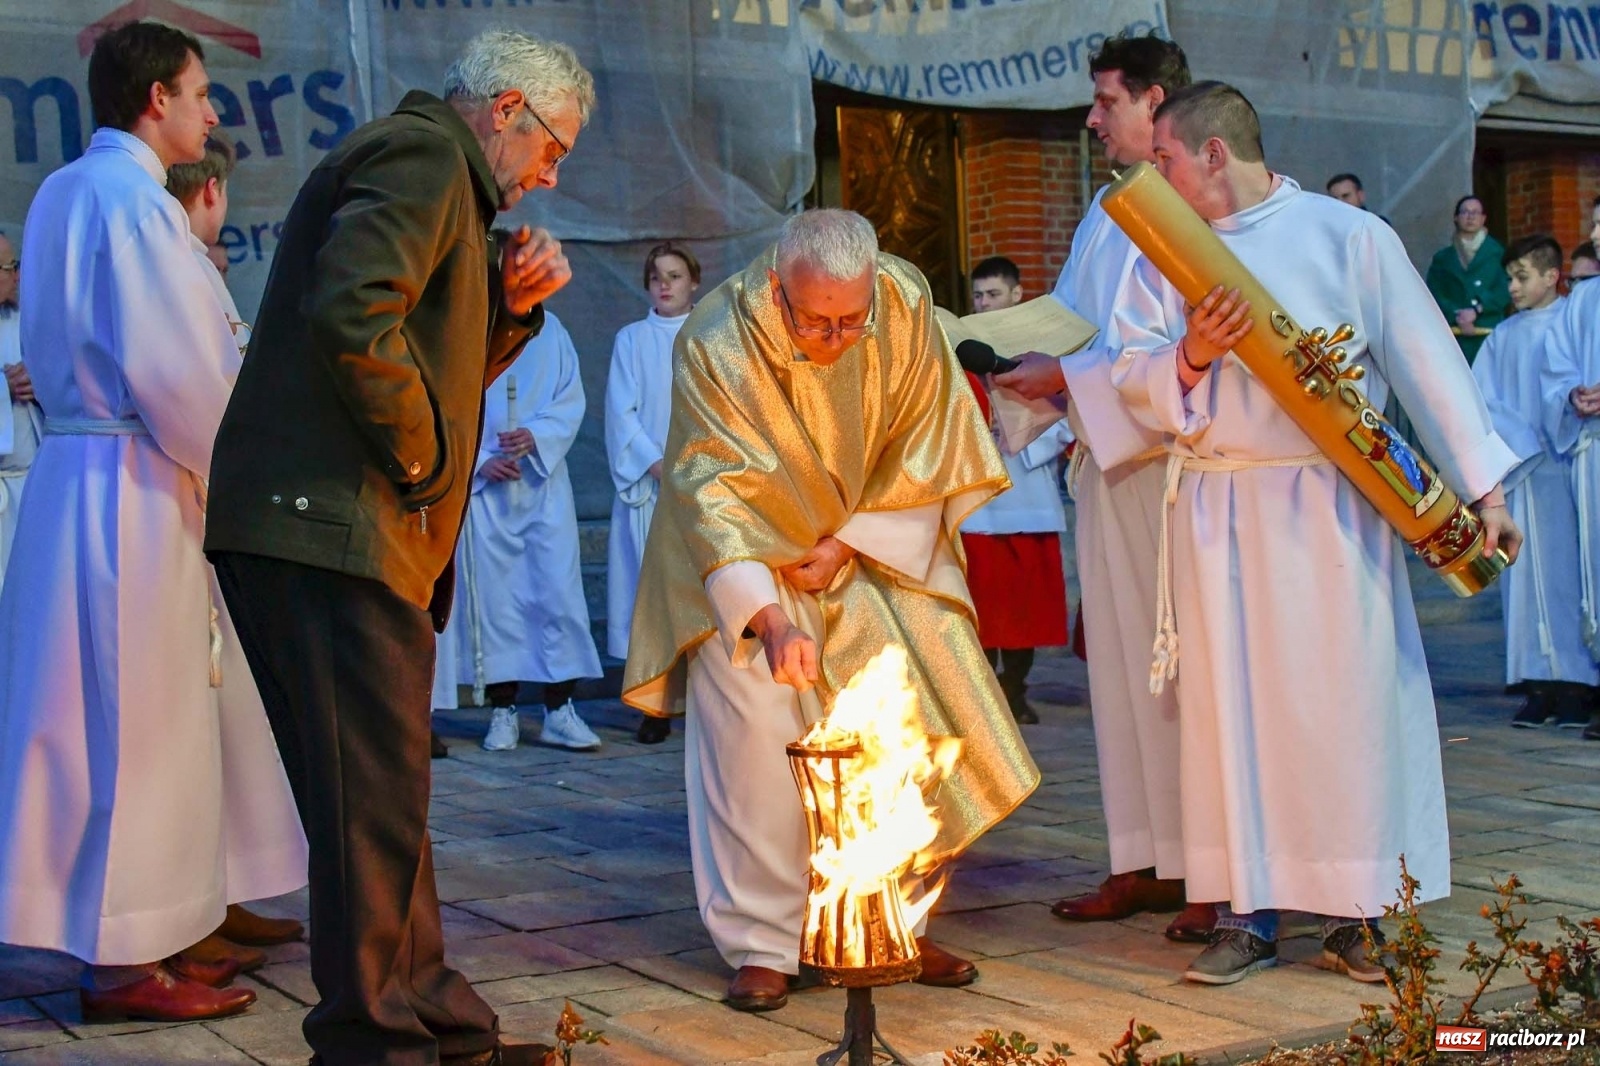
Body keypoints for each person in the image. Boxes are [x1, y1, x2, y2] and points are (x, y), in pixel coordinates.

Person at [205, 29, 594, 1066]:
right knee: (365, 805)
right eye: (554, 147)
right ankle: (372, 1041)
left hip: (340, 526)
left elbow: (416, 340)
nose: (551, 175)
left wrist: (507, 315)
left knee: (383, 797)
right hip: (331, 526)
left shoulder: (442, 180)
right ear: (507, 108)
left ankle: (435, 1024)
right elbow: (352, 311)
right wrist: (423, 462)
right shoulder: (423, 155)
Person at [1111, 81, 1521, 985]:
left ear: (1214, 154)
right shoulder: (1161, 256)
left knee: (1345, 708)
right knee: (1233, 715)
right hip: (1219, 508)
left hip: (1331, 506)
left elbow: (1428, 362)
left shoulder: (1350, 239)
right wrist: (1191, 356)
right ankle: (1244, 914)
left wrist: (1484, 490)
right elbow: (1125, 373)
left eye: (1166, 159)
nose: (1154, 174)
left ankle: (1359, 913)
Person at [621, 209, 1038, 1013]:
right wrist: (768, 616)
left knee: (903, 729)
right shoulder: (713, 338)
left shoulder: (904, 302)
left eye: (855, 318)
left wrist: (852, 541)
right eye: (817, 320)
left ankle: (891, 927)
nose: (839, 336)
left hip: (869, 540)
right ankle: (764, 941)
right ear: (777, 290)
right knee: (759, 746)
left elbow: (932, 433)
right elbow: (709, 490)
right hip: (745, 563)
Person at [0, 19, 298, 1023]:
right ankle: (126, 961)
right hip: (134, 479)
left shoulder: (63, 193)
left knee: (127, 716)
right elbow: (180, 371)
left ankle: (167, 917)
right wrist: (243, 469)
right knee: (137, 724)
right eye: (201, 92)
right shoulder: (135, 206)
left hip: (82, 469)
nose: (213, 110)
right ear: (155, 99)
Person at [991, 31, 1214, 944]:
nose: (1092, 118)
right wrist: (1031, 366)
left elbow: (1188, 351)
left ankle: (1210, 866)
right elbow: (1087, 328)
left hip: (1170, 470)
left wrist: (1069, 378)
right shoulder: (1104, 210)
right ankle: (1143, 858)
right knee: (1121, 673)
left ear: (1157, 103)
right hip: (1103, 462)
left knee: (1184, 673)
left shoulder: (1191, 212)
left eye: (1107, 101)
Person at [433, 306, 604, 753]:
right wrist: (480, 459)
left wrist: (537, 436)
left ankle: (560, 710)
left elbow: (570, 399)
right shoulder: (470, 328)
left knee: (557, 596)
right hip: (489, 493)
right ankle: (503, 710)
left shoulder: (554, 331)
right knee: (497, 604)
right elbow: (446, 406)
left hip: (542, 487)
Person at [1470, 235, 1597, 729]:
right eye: (1509, 278)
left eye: (1522, 276)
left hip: (1566, 466)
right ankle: (1537, 682)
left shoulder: (1571, 321)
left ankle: (1579, 683)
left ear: (1552, 276)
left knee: (1569, 578)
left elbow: (1567, 383)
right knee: (1527, 584)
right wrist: (1515, 449)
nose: (1513, 286)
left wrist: (1569, 407)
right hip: (1522, 468)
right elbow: (1484, 400)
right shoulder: (1503, 337)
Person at [960, 256, 1072, 724]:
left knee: (1026, 610)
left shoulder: (1042, 352)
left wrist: (1017, 436)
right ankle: (987, 695)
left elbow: (1068, 417)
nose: (984, 303)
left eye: (993, 294)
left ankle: (1016, 690)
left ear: (1016, 294)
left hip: (1028, 491)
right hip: (980, 501)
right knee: (983, 606)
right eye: (979, 295)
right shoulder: (960, 350)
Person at [605, 241, 699, 744]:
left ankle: (704, 699)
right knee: (653, 594)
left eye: (675, 275)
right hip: (652, 484)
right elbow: (622, 412)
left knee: (702, 591)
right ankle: (656, 703)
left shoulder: (715, 335)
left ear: (694, 282)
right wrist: (656, 463)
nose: (665, 284)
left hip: (704, 486)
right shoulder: (632, 340)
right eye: (656, 277)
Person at [1539, 198, 1600, 741]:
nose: (1597, 233)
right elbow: (1556, 365)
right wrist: (1571, 394)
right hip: (1593, 453)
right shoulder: (1583, 301)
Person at [1426, 194, 1511, 363]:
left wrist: (1478, 309)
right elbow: (1433, 294)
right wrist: (1458, 315)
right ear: (1456, 218)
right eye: (1465, 212)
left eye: (1475, 212)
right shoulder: (1442, 258)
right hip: (1452, 337)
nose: (1470, 217)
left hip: (1488, 332)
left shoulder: (1498, 254)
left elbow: (1505, 288)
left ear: (1483, 218)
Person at [0, 229, 38, 584]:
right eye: (7, 267)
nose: (16, 275)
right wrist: (4, 386)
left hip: (26, 487)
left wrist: (41, 384)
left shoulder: (24, 321)